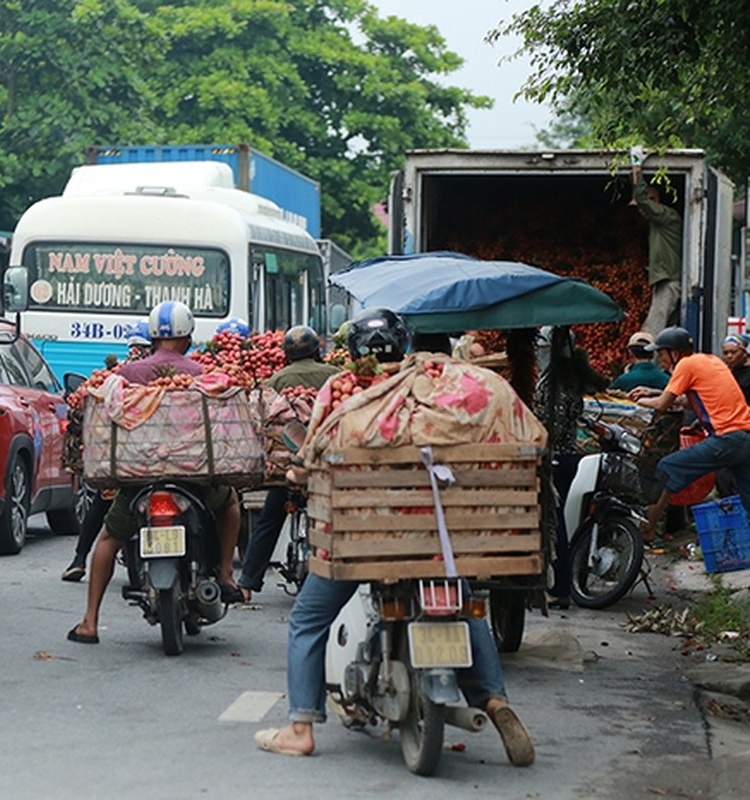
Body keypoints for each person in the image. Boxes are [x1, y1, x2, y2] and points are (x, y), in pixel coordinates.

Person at [253, 308, 535, 767]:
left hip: (364, 540)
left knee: (307, 620)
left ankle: (300, 728)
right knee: (463, 603)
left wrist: (299, 470)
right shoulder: (442, 391)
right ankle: (495, 701)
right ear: (402, 346)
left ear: (358, 353)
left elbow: (314, 450)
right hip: (441, 538)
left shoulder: (346, 397)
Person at [66, 301, 243, 644]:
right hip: (195, 478)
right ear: (188, 336)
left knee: (107, 540)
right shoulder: (202, 374)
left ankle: (89, 622)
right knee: (231, 504)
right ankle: (226, 574)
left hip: (140, 478)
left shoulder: (127, 375)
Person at [236, 325, 341, 601]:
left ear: (286, 355)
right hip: (325, 465)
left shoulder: (275, 380)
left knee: (270, 519)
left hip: (288, 467)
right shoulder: (336, 377)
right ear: (318, 350)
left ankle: (247, 583)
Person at [633, 326, 750, 541]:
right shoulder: (711, 361)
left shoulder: (685, 365)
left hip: (726, 439)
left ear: (674, 353)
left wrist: (639, 401)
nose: (660, 360)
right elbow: (690, 399)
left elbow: (661, 405)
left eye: (661, 354)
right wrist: (654, 392)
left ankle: (648, 528)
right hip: (745, 439)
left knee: (668, 466)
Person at [61, 320, 152, 582]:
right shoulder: (144, 376)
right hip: (152, 458)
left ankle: (80, 558)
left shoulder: (115, 377)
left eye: (139, 347)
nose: (137, 352)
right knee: (104, 500)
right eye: (135, 348)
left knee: (102, 504)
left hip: (124, 460)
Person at [533, 326, 608, 608]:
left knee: (554, 523)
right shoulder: (568, 379)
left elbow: (546, 427)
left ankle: (560, 586)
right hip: (566, 457)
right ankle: (558, 584)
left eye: (542, 348)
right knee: (556, 520)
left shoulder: (554, 384)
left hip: (554, 459)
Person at [631, 157, 683, 336]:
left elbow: (642, 198)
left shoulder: (667, 216)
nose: (641, 211)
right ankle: (664, 364)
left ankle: (645, 362)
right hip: (665, 279)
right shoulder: (658, 224)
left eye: (643, 207)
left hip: (669, 280)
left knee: (653, 329)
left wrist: (636, 167)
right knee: (668, 332)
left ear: (655, 200)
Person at [720, 333, 750, 405]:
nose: (729, 356)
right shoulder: (723, 372)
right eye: (726, 353)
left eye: (733, 352)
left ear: (744, 353)